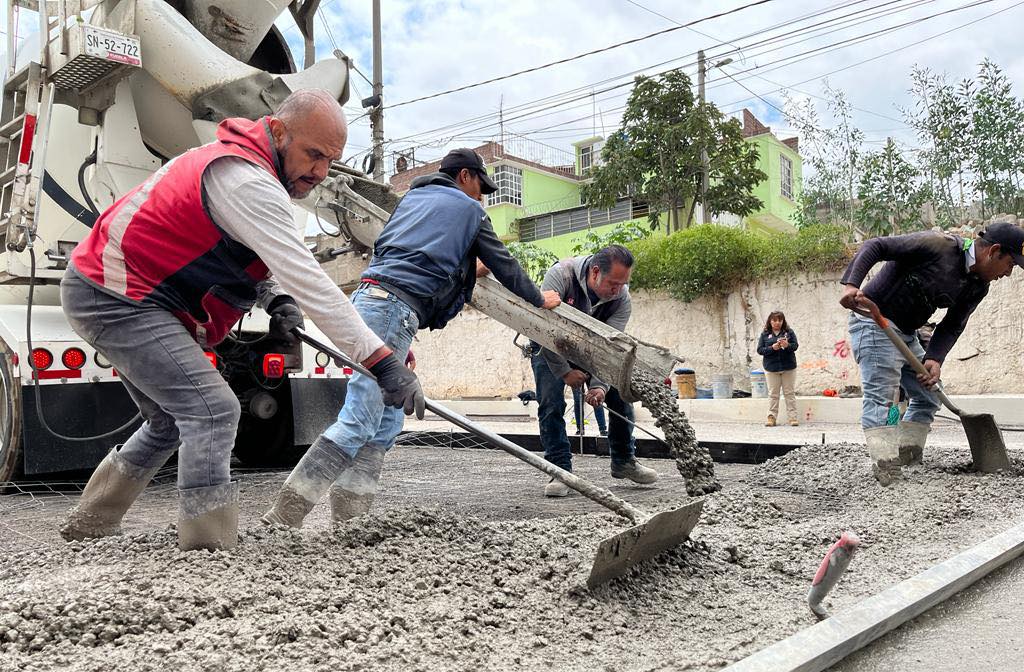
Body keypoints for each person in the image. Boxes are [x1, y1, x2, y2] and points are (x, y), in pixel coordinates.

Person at [58, 89, 422, 550]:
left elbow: (242, 254)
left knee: (170, 420)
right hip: (115, 295)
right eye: (313, 154)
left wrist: (276, 301)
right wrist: (383, 362)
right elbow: (313, 281)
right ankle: (209, 554)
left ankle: (91, 524)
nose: (320, 172)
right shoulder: (244, 179)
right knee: (212, 411)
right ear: (276, 131)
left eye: (330, 160)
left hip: (130, 292)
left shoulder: (245, 169)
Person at [263, 148, 561, 527]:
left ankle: (351, 521)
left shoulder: (412, 202)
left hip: (375, 303)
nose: (481, 196)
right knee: (360, 418)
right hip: (391, 310)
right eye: (479, 187)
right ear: (466, 177)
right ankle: (284, 515)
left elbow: (396, 256)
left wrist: (396, 345)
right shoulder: (470, 212)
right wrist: (538, 298)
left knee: (386, 423)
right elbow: (505, 265)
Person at [839, 223, 1024, 484]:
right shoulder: (938, 245)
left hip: (906, 333)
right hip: (874, 321)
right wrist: (851, 285)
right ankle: (885, 465)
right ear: (994, 251)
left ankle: (907, 453)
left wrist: (935, 358)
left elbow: (952, 325)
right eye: (1010, 264)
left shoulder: (978, 286)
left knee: (929, 394)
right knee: (883, 397)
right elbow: (876, 245)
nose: (1007, 273)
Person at [531, 245, 658, 497]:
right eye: (613, 283)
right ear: (595, 272)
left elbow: (608, 348)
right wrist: (565, 372)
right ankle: (560, 470)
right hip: (549, 344)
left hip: (593, 348)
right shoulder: (561, 276)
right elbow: (543, 328)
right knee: (550, 403)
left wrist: (600, 385)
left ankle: (623, 460)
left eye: (623, 284)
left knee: (621, 395)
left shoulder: (621, 299)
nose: (618, 290)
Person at [756, 310, 800, 427]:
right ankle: (771, 417)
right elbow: (760, 350)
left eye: (779, 320)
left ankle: (793, 418)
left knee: (789, 393)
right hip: (771, 368)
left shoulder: (789, 332)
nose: (777, 323)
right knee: (773, 394)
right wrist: (772, 348)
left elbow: (795, 346)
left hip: (788, 367)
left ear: (783, 321)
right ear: (770, 321)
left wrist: (787, 345)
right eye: (774, 320)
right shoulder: (765, 334)